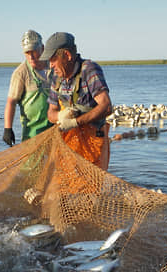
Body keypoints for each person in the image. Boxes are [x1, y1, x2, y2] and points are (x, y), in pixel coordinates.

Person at [42, 32, 112, 171]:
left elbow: (106, 106)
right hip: (67, 145)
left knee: (92, 189)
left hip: (92, 146)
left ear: (67, 55)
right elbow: (51, 113)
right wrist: (60, 116)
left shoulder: (89, 70)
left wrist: (75, 122)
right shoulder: (56, 78)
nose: (51, 66)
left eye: (53, 60)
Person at [3, 30, 53, 146]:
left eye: (34, 51)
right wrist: (7, 129)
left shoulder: (54, 67)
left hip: (56, 130)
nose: (31, 56)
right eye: (27, 52)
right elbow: (11, 102)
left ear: (43, 48)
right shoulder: (20, 73)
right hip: (32, 134)